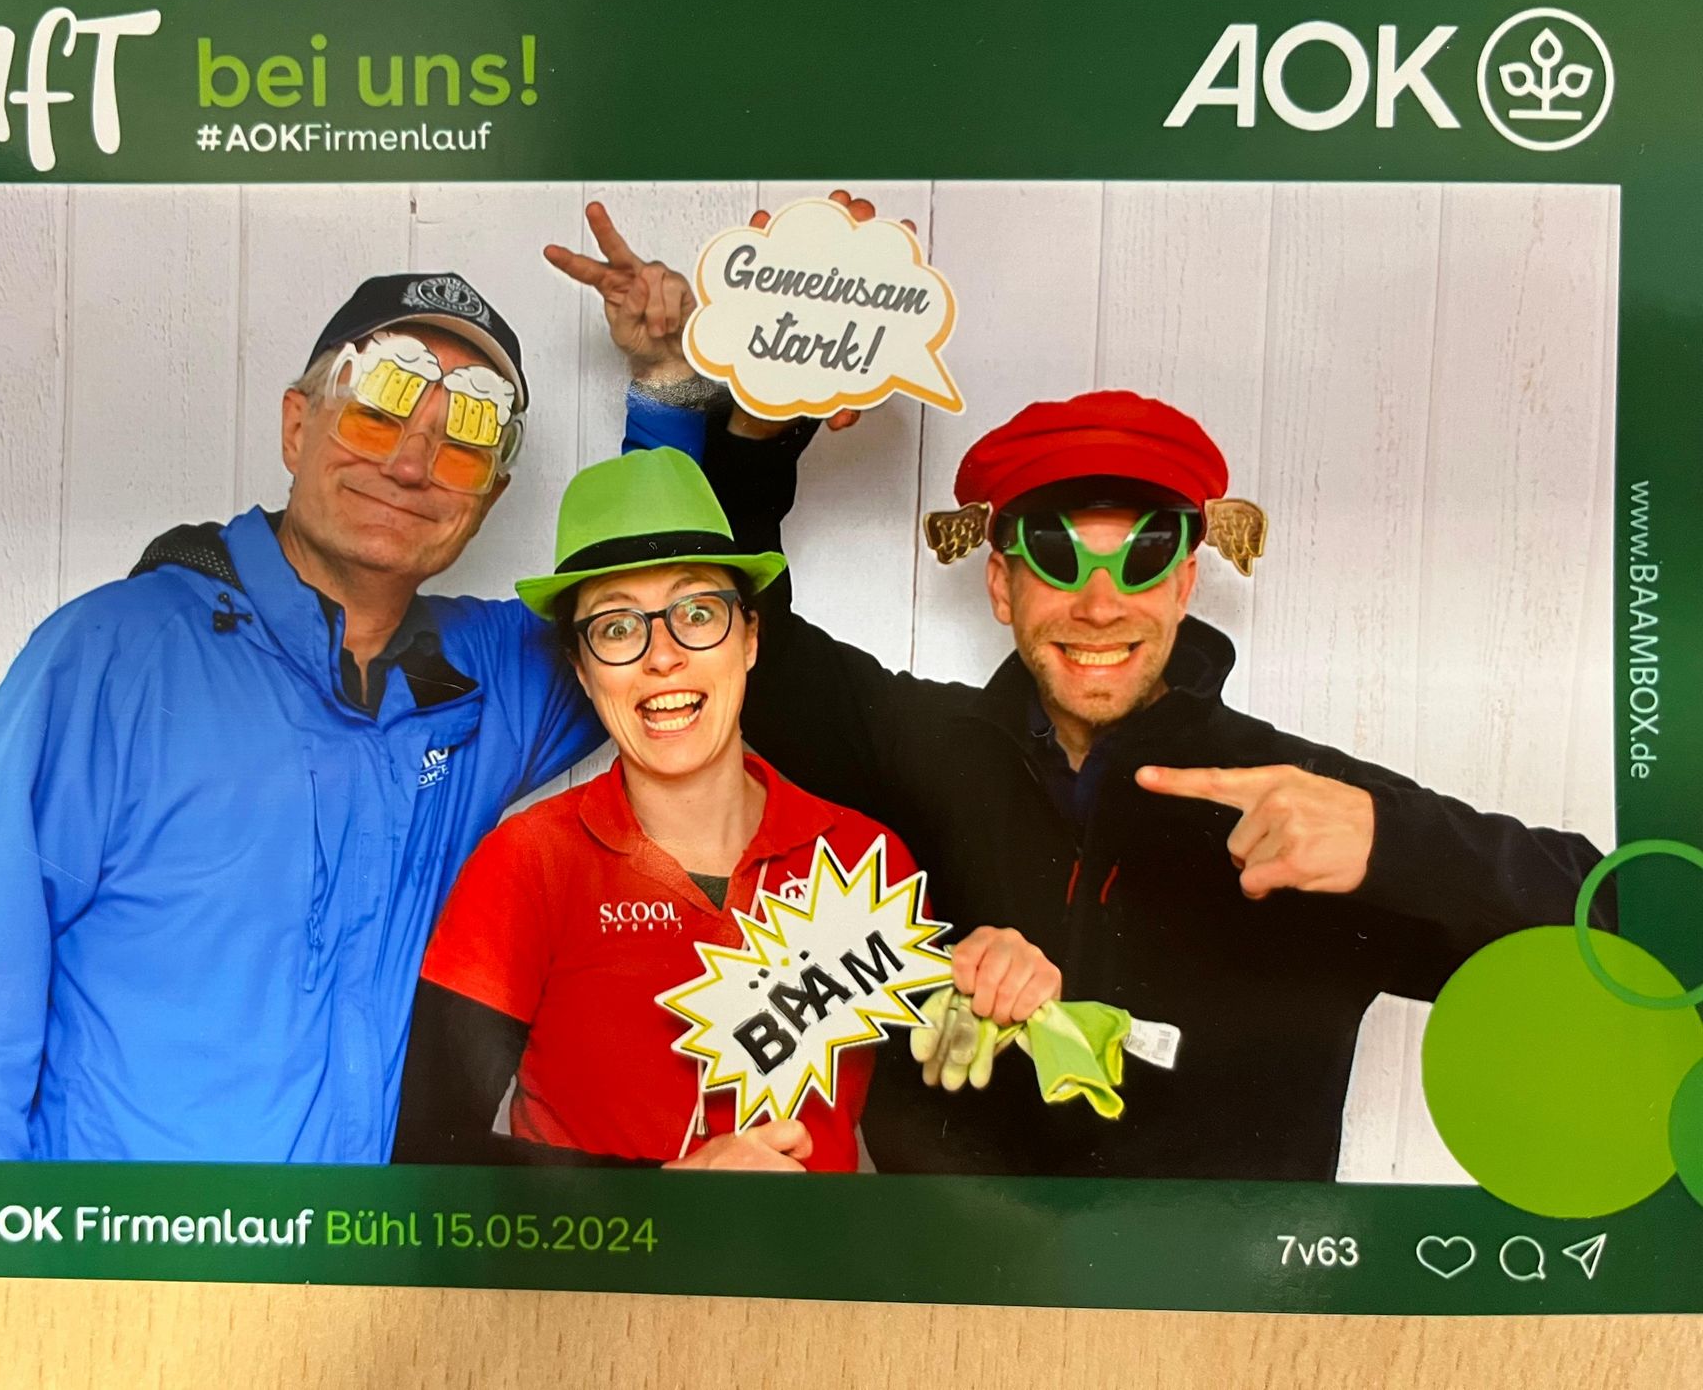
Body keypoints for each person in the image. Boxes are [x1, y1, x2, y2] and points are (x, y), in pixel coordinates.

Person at [547, 198, 1609, 1181]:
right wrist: (749, 408)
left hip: (1223, 1312)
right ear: (1001, 585)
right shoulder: (920, 751)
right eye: (1057, 557)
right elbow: (729, 634)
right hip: (936, 1300)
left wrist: (1392, 842)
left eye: (1141, 558)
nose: (1100, 604)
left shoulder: (1303, 806)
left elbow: (1630, 929)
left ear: (1185, 582)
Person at [0, 272, 608, 1164]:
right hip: (126, 1248)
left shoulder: (487, 678)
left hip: (361, 1250)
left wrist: (675, 393)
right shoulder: (110, 654)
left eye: (463, 441)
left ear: (488, 498)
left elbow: (652, 618)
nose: (410, 465)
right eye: (377, 411)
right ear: (297, 427)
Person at [392, 447, 1058, 1170]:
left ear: (750, 639)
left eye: (698, 613)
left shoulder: (868, 861)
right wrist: (671, 1192)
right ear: (581, 669)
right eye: (617, 627)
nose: (663, 656)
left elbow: (939, 1116)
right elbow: (430, 1152)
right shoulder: (527, 865)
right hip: (598, 1252)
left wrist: (1003, 994)